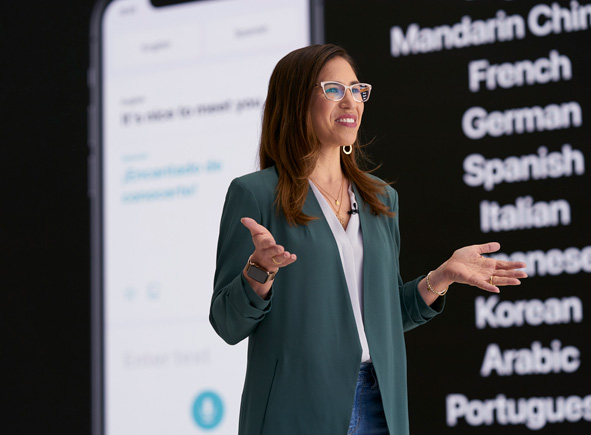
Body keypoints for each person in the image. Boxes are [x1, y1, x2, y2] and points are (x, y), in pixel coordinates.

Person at [210, 44, 527, 435]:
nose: (351, 101)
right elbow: (226, 324)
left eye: (357, 90)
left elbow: (384, 317)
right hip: (297, 409)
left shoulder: (380, 198)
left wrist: (440, 278)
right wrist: (259, 270)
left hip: (382, 406)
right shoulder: (256, 194)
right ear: (295, 102)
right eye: (333, 89)